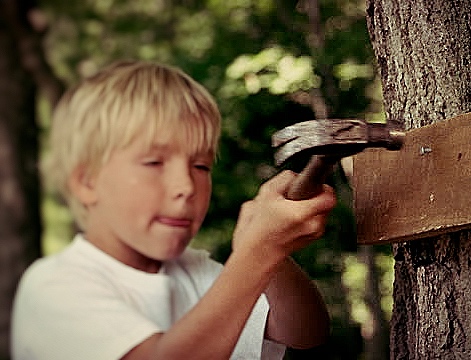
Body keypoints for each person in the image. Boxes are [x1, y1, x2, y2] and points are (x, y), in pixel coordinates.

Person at [11, 60, 336, 360]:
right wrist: (257, 255)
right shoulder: (52, 287)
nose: (186, 185)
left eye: (201, 165)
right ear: (87, 182)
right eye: (154, 163)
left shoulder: (196, 271)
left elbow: (303, 333)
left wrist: (271, 257)